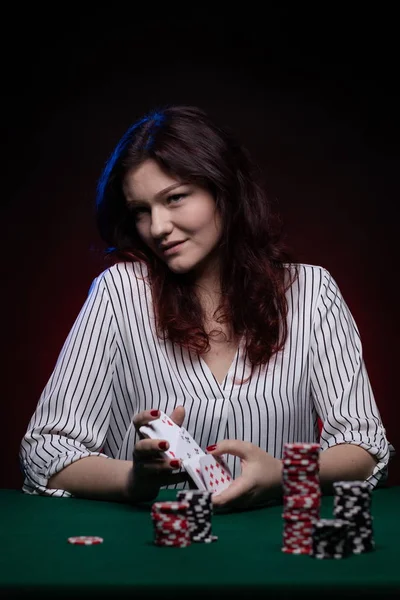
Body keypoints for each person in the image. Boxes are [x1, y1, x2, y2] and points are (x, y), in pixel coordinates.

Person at [19, 105, 393, 511]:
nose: (158, 227)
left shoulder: (312, 291)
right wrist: (133, 479)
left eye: (175, 198)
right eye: (141, 211)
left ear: (225, 191)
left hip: (274, 557)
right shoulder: (118, 292)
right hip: (149, 556)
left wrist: (284, 474)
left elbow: (364, 447)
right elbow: (47, 449)